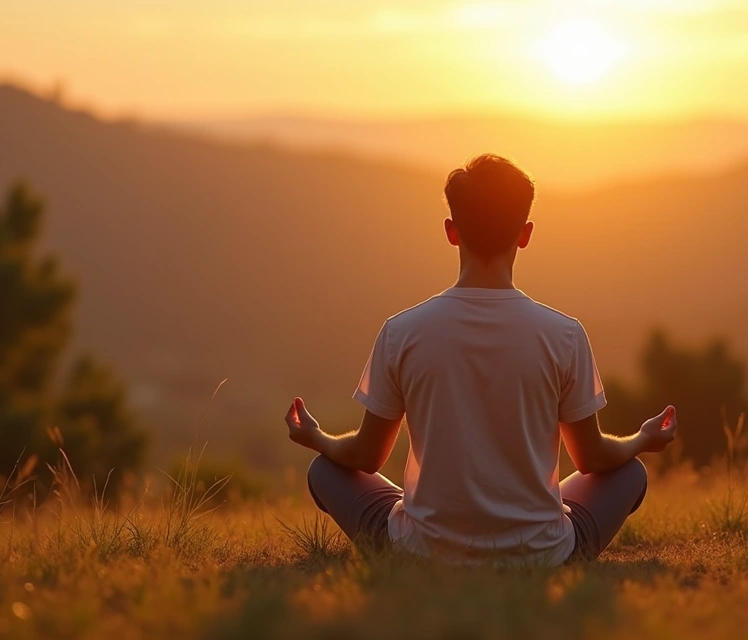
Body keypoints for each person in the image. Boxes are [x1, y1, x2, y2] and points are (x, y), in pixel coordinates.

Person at [284, 154, 677, 565]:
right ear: (525, 234)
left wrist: (316, 437)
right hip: (542, 554)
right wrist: (642, 440)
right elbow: (592, 459)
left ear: (451, 232)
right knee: (630, 472)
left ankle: (423, 528)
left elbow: (365, 457)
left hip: (421, 553)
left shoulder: (402, 331)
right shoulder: (564, 334)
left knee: (323, 470)